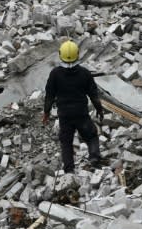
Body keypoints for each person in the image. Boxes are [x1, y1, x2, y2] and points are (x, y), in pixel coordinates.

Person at [42, 41, 105, 173]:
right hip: (81, 113)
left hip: (65, 115)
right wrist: (99, 110)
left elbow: (49, 96)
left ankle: (69, 170)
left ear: (60, 55)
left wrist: (46, 113)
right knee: (91, 136)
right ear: (77, 54)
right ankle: (94, 158)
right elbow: (93, 95)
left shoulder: (55, 74)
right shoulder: (85, 73)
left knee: (66, 142)